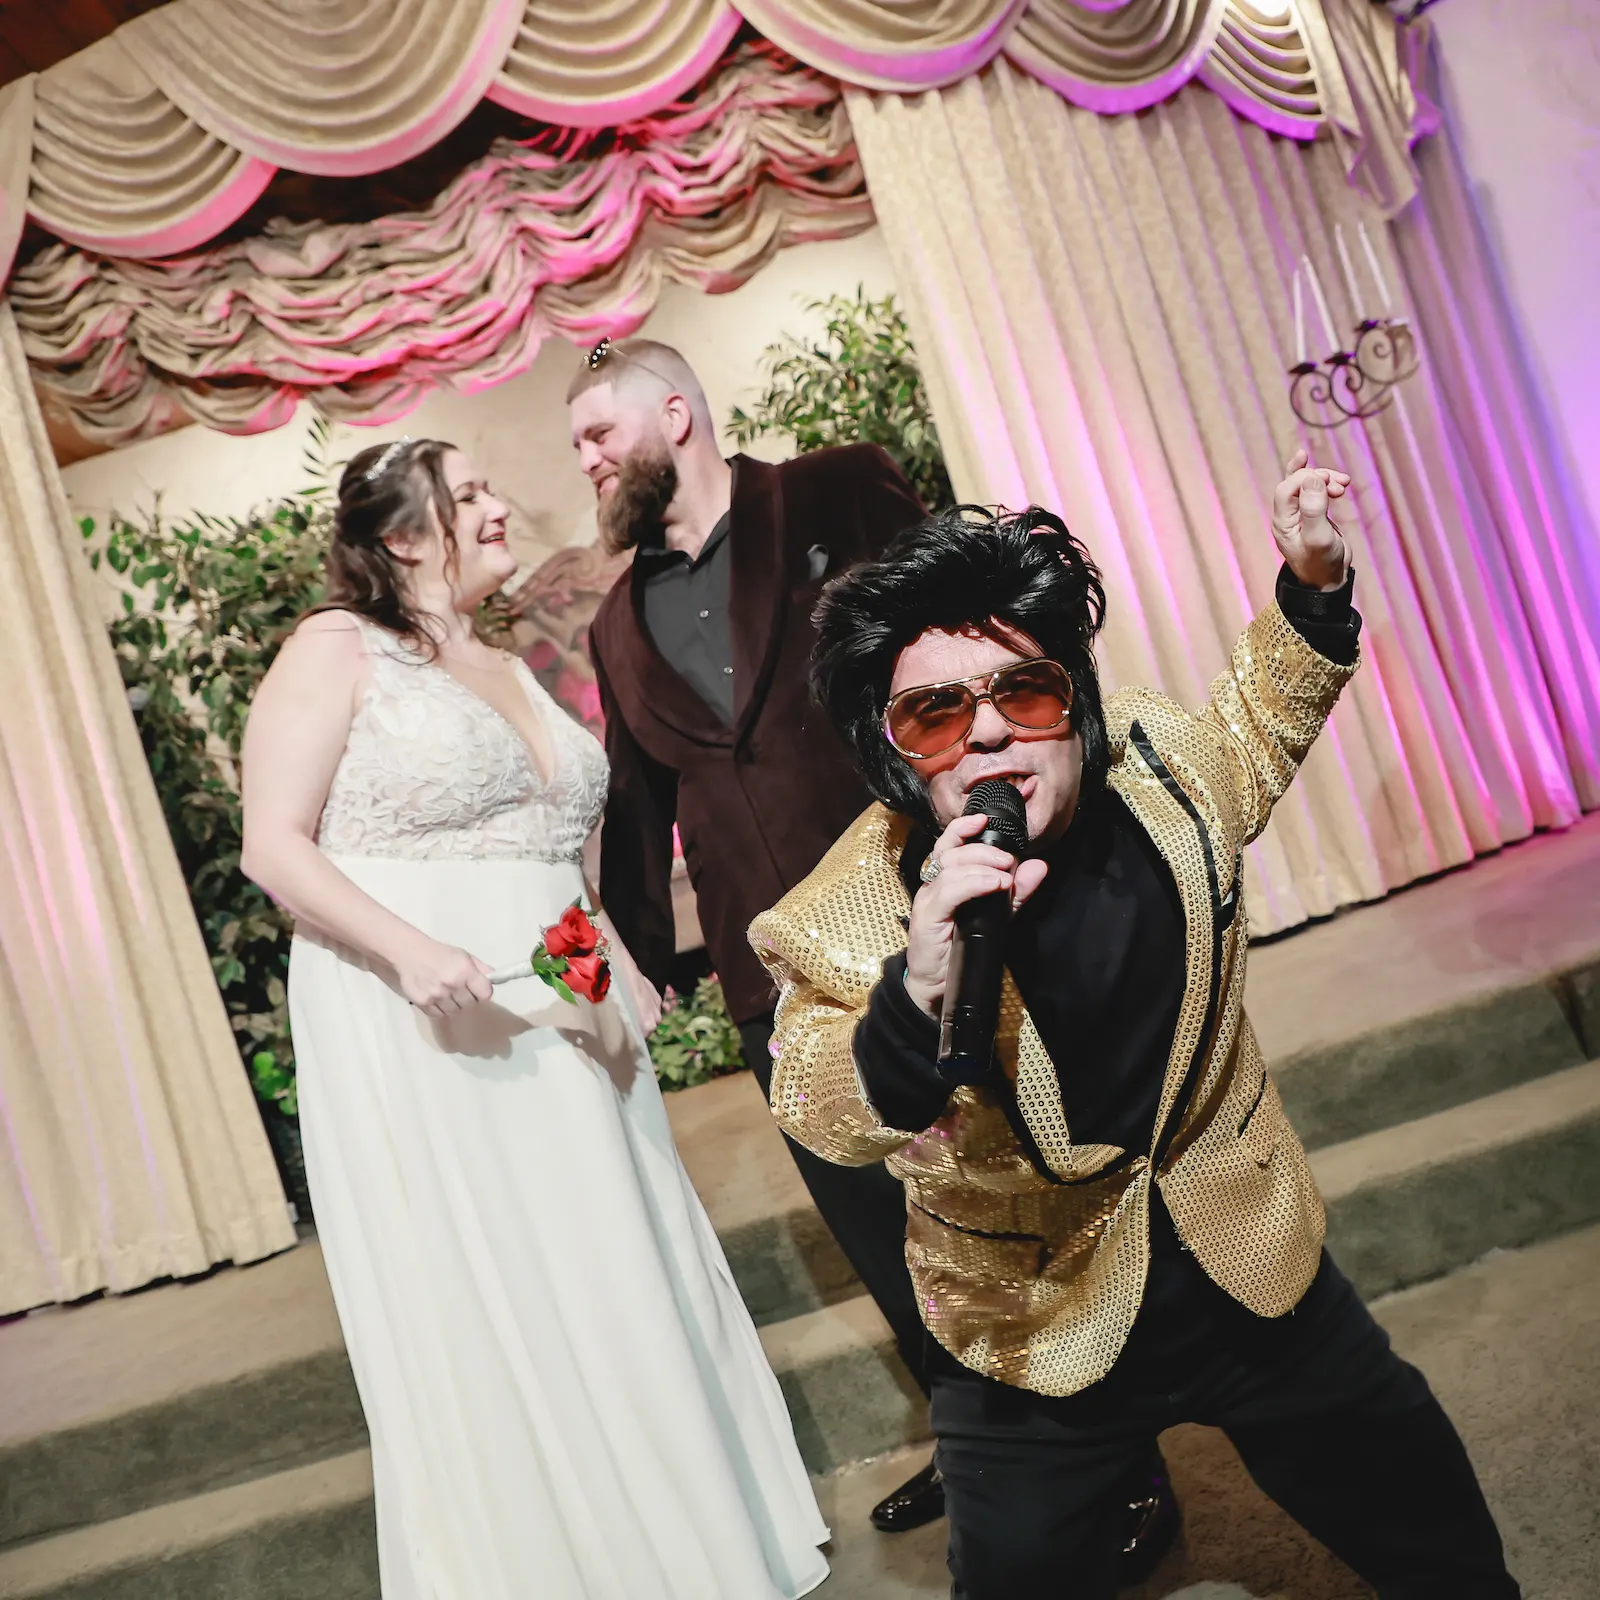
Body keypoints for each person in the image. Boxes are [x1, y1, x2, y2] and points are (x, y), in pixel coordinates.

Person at [750, 454, 1522, 1598]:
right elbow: (820, 1101)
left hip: (1242, 1253)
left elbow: (1258, 723)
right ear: (892, 750)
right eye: (936, 713)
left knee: (1435, 1534)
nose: (988, 736)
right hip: (1031, 1324)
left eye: (1024, 692)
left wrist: (1312, 584)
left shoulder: (1160, 772)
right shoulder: (838, 918)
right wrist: (914, 990)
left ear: (1076, 701)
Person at [240, 437, 829, 1599]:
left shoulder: (497, 658)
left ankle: (697, 1537)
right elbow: (273, 843)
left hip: (562, 1011)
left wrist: (610, 960)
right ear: (403, 535)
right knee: (513, 1269)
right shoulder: (333, 649)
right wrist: (411, 952)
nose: (499, 507)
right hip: (426, 1020)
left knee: (616, 1256)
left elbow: (542, 854)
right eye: (467, 495)